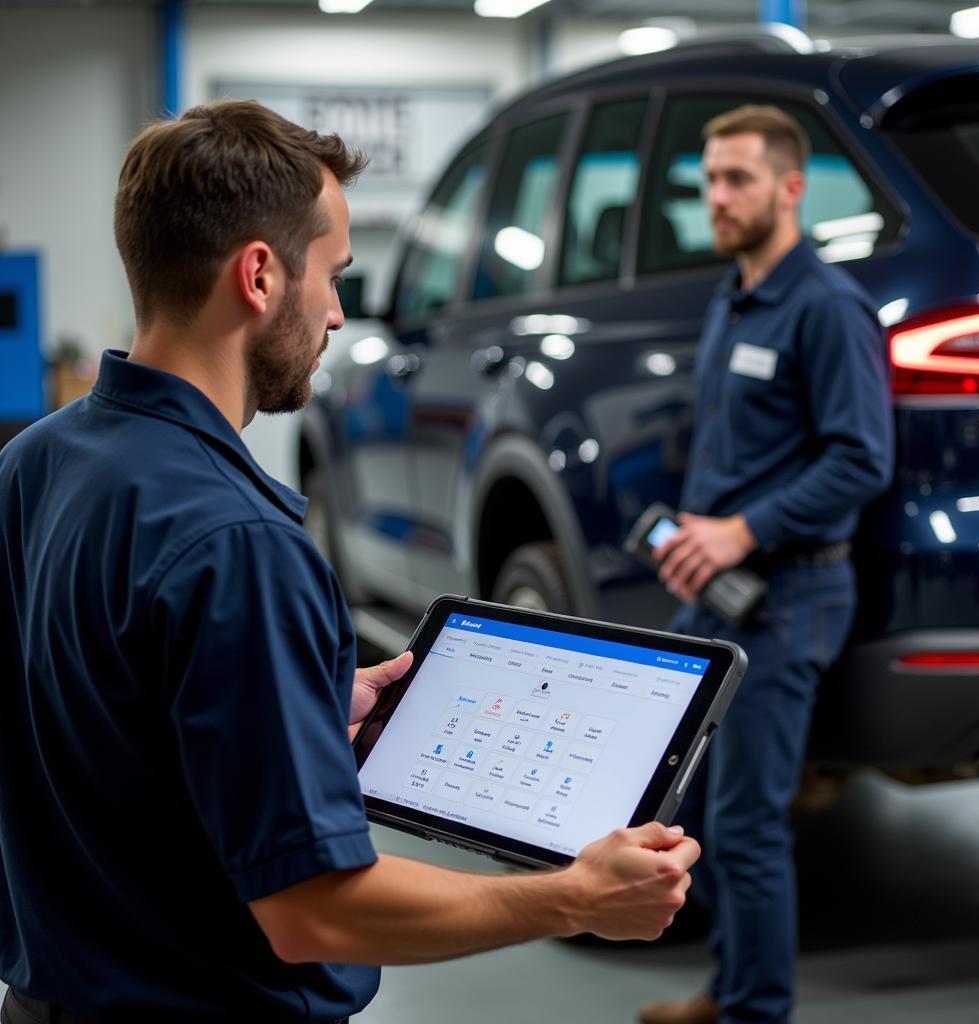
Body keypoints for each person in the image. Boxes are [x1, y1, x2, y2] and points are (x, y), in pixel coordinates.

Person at [0, 100, 701, 1024]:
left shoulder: (37, 461)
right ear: (258, 275)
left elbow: (100, 725)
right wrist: (573, 894)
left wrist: (297, 703)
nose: (336, 313)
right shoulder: (240, 546)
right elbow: (313, 911)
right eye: (331, 275)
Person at [636, 106, 893, 1024]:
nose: (718, 197)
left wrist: (742, 532)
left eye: (738, 178)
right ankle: (732, 984)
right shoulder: (734, 295)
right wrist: (698, 539)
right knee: (676, 809)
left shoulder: (824, 305)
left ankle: (754, 1011)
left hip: (788, 596)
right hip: (716, 591)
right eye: (708, 179)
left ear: (791, 188)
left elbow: (863, 457)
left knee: (745, 825)